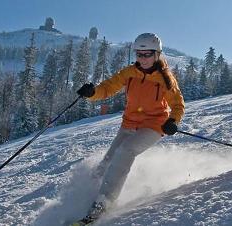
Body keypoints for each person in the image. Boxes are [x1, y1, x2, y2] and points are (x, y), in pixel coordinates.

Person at [76, 33, 185, 224]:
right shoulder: (129, 73)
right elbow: (108, 87)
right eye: (139, 54)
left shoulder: (165, 79)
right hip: (129, 124)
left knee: (126, 151)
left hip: (153, 125)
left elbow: (178, 105)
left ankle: (103, 203)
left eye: (147, 54)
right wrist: (92, 93)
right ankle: (85, 200)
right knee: (106, 163)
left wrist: (173, 121)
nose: (142, 59)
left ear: (157, 54)